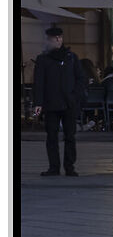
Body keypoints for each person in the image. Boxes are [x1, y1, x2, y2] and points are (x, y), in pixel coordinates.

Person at [31, 25, 84, 176]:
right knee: (51, 136)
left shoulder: (71, 57)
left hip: (69, 103)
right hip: (50, 104)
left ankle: (69, 166)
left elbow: (80, 78)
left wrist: (75, 95)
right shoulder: (43, 59)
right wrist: (38, 103)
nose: (46, 42)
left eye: (49, 39)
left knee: (70, 136)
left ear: (58, 39)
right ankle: (54, 167)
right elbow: (39, 82)